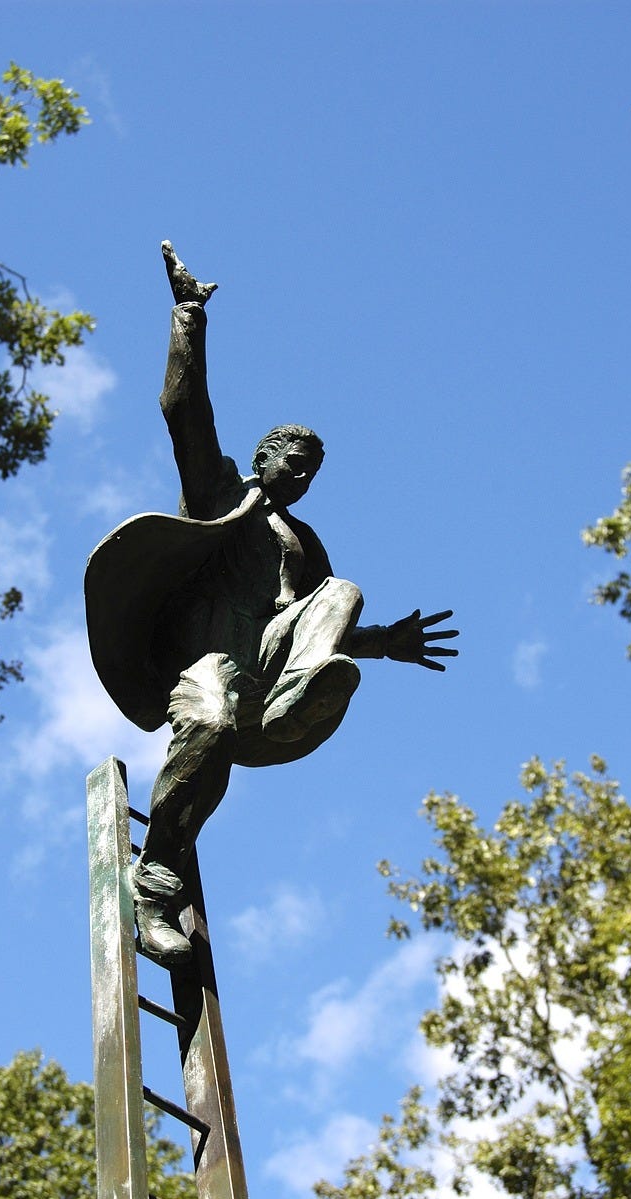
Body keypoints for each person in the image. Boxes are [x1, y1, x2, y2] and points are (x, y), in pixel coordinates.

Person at [85, 243, 458, 964]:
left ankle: (293, 701)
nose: (304, 476)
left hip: (273, 662)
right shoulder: (223, 496)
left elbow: (320, 618)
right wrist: (188, 316)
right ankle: (154, 881)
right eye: (295, 461)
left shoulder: (306, 545)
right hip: (207, 659)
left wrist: (384, 642)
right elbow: (181, 409)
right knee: (211, 720)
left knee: (342, 589)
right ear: (262, 458)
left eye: (313, 471)